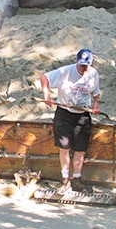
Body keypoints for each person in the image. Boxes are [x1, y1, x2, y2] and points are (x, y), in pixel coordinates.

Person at [40, 48, 101, 193]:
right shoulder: (65, 72)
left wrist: (95, 105)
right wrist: (47, 95)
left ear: (90, 63)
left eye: (86, 66)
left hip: (83, 115)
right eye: (81, 65)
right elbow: (44, 78)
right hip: (64, 114)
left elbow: (96, 94)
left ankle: (77, 180)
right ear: (76, 61)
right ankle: (65, 180)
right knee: (64, 147)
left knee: (80, 149)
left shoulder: (93, 74)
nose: (83, 68)